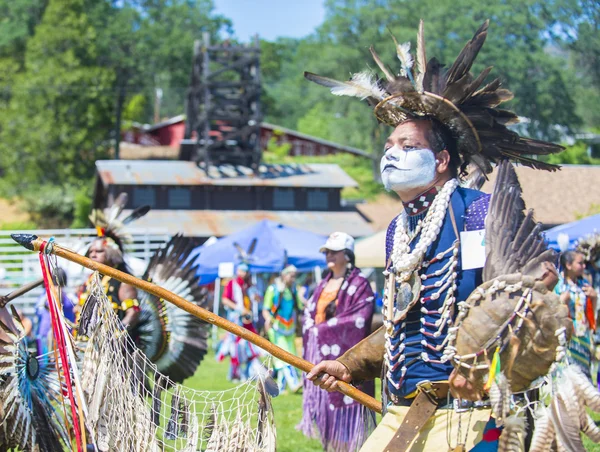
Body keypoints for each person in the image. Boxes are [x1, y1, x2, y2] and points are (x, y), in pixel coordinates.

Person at [303, 20, 565, 451]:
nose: (392, 154)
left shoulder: (477, 212)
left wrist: (479, 348)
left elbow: (540, 277)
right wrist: (350, 365)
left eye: (407, 145)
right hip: (407, 407)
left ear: (442, 159)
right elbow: (406, 320)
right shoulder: (398, 232)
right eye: (389, 145)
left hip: (475, 413)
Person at [298, 232, 376, 452]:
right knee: (327, 424)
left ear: (347, 255)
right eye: (327, 252)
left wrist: (320, 330)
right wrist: (313, 329)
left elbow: (359, 319)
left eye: (334, 251)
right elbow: (308, 315)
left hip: (346, 360)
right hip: (320, 358)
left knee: (346, 428)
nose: (329, 255)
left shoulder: (360, 284)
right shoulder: (322, 284)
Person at [77, 235, 140, 332]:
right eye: (91, 251)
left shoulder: (122, 281)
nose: (93, 255)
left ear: (112, 253)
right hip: (87, 342)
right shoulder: (89, 281)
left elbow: (133, 312)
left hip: (113, 343)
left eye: (99, 251)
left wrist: (117, 333)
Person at [555, 250, 598, 379]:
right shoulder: (558, 285)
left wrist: (594, 298)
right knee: (569, 375)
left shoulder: (584, 285)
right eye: (580, 263)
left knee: (584, 373)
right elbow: (551, 312)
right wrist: (561, 301)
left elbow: (591, 314)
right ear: (568, 265)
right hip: (566, 337)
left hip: (582, 336)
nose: (584, 266)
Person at [217, 263, 261, 381]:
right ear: (238, 271)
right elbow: (225, 300)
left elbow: (256, 298)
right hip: (236, 320)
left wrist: (255, 295)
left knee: (251, 348)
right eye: (241, 271)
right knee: (236, 348)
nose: (244, 274)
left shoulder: (249, 285)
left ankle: (248, 374)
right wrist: (239, 309)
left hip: (248, 321)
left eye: (245, 271)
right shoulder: (232, 283)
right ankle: (235, 374)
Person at [262, 265, 302, 392]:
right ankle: (294, 383)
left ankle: (281, 387)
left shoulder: (293, 290)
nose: (293, 279)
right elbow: (265, 309)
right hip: (276, 328)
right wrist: (268, 320)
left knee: (289, 355)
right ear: (284, 275)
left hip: (290, 328)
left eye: (294, 276)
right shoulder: (273, 289)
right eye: (291, 276)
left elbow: (298, 307)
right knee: (284, 356)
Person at [35, 267, 76, 355]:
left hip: (60, 333)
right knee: (50, 363)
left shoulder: (47, 294)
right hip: (50, 333)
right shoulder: (50, 293)